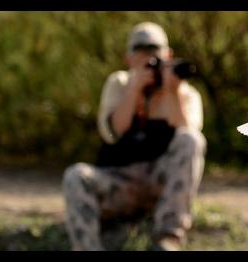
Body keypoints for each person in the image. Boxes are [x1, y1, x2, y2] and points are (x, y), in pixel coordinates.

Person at [62, 22, 206, 251]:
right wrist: (134, 89)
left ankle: (168, 237)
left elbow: (190, 140)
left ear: (168, 55)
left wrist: (172, 93)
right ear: (128, 58)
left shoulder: (183, 91)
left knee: (191, 139)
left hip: (161, 185)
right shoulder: (119, 83)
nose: (149, 59)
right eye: (141, 53)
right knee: (75, 175)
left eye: (155, 52)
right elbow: (113, 133)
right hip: (120, 183)